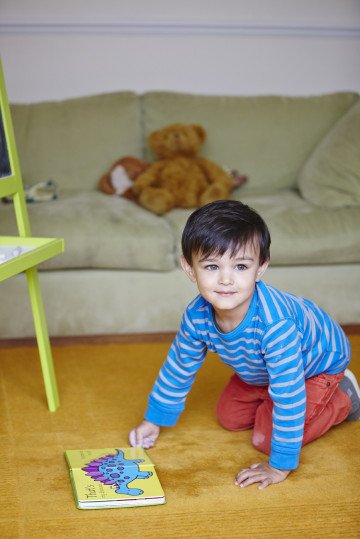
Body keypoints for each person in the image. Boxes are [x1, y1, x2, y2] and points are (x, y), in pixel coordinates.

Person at [129, 200, 360, 489]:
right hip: (263, 369)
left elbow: (288, 395)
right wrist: (153, 420)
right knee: (229, 417)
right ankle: (267, 392)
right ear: (189, 269)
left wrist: (279, 466)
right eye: (212, 266)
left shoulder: (276, 326)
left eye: (240, 266)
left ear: (260, 268)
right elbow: (179, 367)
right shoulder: (196, 316)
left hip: (316, 366)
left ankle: (345, 396)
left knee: (265, 439)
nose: (226, 280)